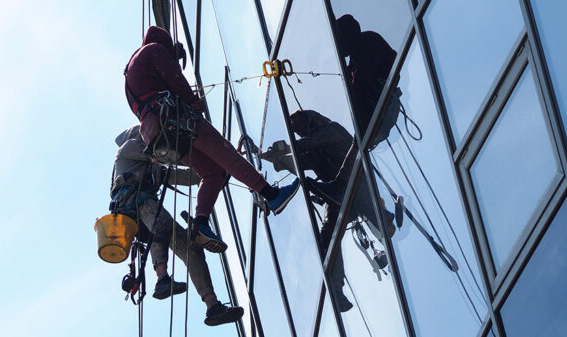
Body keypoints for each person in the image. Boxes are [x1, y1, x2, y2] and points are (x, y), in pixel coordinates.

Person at [124, 26, 300, 240]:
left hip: (162, 142)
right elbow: (175, 78)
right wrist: (192, 102)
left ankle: (200, 224)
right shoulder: (154, 49)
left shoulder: (131, 75)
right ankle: (271, 195)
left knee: (213, 172)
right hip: (178, 121)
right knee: (224, 153)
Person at [262, 110, 397, 312]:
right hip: (337, 196)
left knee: (363, 199)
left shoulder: (332, 129)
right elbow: (302, 162)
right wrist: (275, 160)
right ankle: (336, 289)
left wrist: (286, 149)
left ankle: (383, 220)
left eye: (298, 127)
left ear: (309, 120)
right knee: (328, 236)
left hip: (355, 183)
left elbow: (313, 143)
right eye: (296, 130)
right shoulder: (313, 147)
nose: (298, 132)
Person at [111, 126, 244, 326]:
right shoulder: (129, 148)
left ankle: (213, 306)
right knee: (162, 226)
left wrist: (220, 167)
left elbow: (186, 177)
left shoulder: (154, 166)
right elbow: (166, 154)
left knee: (191, 250)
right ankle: (162, 279)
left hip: (146, 209)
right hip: (134, 203)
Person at [308, 14, 400, 200]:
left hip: (383, 108)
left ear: (347, 37)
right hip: (378, 110)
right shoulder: (359, 52)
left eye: (340, 41)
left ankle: (342, 186)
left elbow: (360, 85)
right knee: (357, 144)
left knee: (358, 144)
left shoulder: (367, 42)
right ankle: (340, 185)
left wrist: (350, 75)